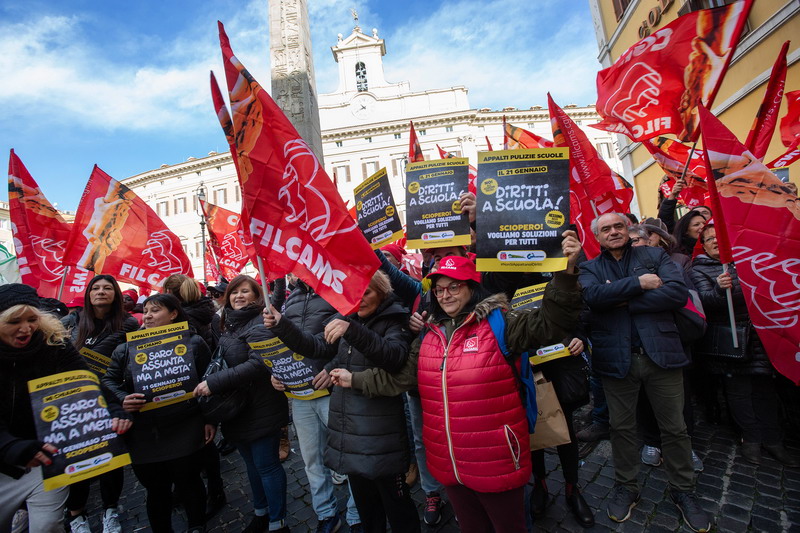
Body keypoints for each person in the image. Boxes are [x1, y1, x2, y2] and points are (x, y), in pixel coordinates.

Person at [333, 233, 583, 533]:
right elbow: (401, 377)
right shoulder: (430, 334)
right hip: (449, 465)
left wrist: (565, 274)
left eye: (454, 287)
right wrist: (354, 379)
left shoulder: (501, 323)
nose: (446, 295)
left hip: (495, 463)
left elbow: (552, 322)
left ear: (471, 288)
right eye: (439, 289)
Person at [580, 213, 710, 533]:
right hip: (616, 360)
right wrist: (640, 284)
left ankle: (683, 490)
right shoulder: (590, 268)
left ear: (628, 229)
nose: (614, 232)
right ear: (597, 236)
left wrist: (621, 299)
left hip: (661, 354)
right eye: (606, 229)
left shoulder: (654, 255)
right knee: (622, 429)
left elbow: (676, 293)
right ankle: (626, 486)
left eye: (618, 226)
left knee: (675, 428)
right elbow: (593, 298)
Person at [263, 271, 420, 533]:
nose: (360, 300)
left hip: (381, 435)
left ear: (382, 293)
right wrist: (282, 325)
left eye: (367, 293)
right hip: (349, 430)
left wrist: (352, 329)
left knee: (397, 505)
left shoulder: (395, 320)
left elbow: (393, 358)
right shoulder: (347, 317)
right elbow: (316, 347)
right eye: (354, 294)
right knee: (367, 508)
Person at [0, 284, 110, 532]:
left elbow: (86, 381)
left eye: (32, 320)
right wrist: (9, 446)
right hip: (3, 463)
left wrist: (114, 409)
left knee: (47, 525)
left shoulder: (54, 343)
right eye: (14, 321)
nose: (26, 328)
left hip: (45, 456)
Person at [103, 293, 214, 532]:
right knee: (156, 490)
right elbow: (109, 381)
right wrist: (122, 399)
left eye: (155, 310)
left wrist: (209, 419)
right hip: (144, 434)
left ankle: (197, 525)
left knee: (190, 482)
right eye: (146, 311)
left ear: (173, 314)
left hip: (185, 426)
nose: (148, 316)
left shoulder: (193, 343)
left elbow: (208, 381)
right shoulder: (126, 349)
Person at [690, 224, 800, 467]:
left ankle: (773, 440)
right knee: (738, 392)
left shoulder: (748, 261)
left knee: (764, 390)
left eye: (719, 237)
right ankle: (750, 439)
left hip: (760, 336)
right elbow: (705, 301)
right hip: (732, 339)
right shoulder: (698, 270)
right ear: (704, 246)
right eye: (709, 239)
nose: (715, 242)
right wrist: (719, 289)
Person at [193, 275, 290, 533]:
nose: (238, 296)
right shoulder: (228, 324)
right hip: (237, 410)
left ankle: (278, 523)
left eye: (245, 291)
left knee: (267, 466)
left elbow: (259, 364)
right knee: (251, 466)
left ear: (257, 296)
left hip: (262, 407)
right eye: (235, 292)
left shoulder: (261, 321)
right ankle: (261, 513)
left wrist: (215, 383)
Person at [268, 278, 362, 532]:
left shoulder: (337, 291)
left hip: (333, 391)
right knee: (312, 460)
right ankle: (326, 513)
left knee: (349, 456)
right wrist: (278, 372)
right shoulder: (292, 300)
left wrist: (331, 368)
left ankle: (357, 513)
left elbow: (350, 338)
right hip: (300, 396)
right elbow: (284, 346)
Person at [61, 275, 139, 533]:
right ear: (88, 293)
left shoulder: (127, 323)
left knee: (109, 458)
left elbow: (122, 358)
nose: (101, 291)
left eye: (107, 288)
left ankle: (110, 510)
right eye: (95, 288)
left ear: (115, 294)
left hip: (109, 398)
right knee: (78, 457)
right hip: (75, 400)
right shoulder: (72, 321)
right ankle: (76, 515)